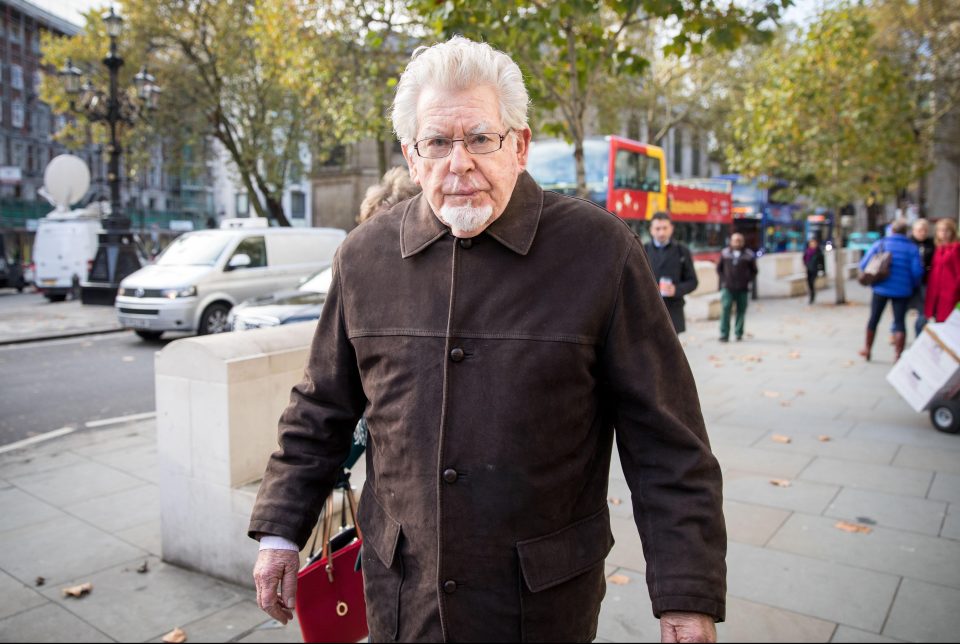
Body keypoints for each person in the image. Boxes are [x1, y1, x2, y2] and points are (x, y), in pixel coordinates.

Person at [249, 36, 725, 643]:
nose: (459, 162)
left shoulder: (601, 253)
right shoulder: (364, 256)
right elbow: (321, 406)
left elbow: (668, 441)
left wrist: (686, 595)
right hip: (403, 596)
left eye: (480, 138)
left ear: (519, 145)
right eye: (438, 143)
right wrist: (281, 532)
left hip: (541, 605)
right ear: (412, 155)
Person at [858, 218, 924, 361]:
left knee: (874, 319)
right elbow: (917, 272)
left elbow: (864, 264)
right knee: (900, 321)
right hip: (902, 290)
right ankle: (897, 355)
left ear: (892, 230)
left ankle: (868, 349)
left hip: (881, 288)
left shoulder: (881, 244)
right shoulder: (912, 248)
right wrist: (910, 285)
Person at [642, 211, 699, 334]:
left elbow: (693, 282)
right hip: (647, 311)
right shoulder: (642, 250)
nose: (661, 232)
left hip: (673, 311)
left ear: (671, 229)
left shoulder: (682, 251)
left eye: (665, 228)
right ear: (651, 230)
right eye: (657, 228)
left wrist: (676, 289)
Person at [717, 233, 758, 342]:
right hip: (728, 288)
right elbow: (719, 269)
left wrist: (747, 279)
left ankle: (738, 333)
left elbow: (754, 271)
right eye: (735, 240)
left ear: (742, 242)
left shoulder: (748, 255)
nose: (737, 242)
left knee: (741, 311)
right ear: (731, 241)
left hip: (743, 288)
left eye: (739, 240)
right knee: (726, 310)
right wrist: (724, 280)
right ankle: (724, 333)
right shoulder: (725, 253)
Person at [925, 218, 960, 323]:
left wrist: (955, 289)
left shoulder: (956, 248)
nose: (943, 233)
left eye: (946, 230)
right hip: (936, 291)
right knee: (937, 321)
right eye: (940, 230)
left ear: (952, 232)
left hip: (950, 292)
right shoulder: (938, 248)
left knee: (949, 321)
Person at [906, 219, 935, 336]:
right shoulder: (908, 243)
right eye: (919, 230)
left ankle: (919, 334)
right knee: (901, 309)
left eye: (924, 230)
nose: (922, 233)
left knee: (924, 310)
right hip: (908, 281)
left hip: (925, 281)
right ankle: (895, 332)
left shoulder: (932, 244)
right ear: (913, 231)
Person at [803, 237, 825, 305]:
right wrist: (806, 264)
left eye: (813, 243)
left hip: (815, 269)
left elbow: (822, 261)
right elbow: (804, 258)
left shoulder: (818, 252)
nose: (812, 244)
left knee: (812, 282)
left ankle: (812, 296)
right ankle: (811, 295)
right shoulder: (807, 251)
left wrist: (823, 270)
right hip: (809, 269)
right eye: (811, 243)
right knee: (809, 283)